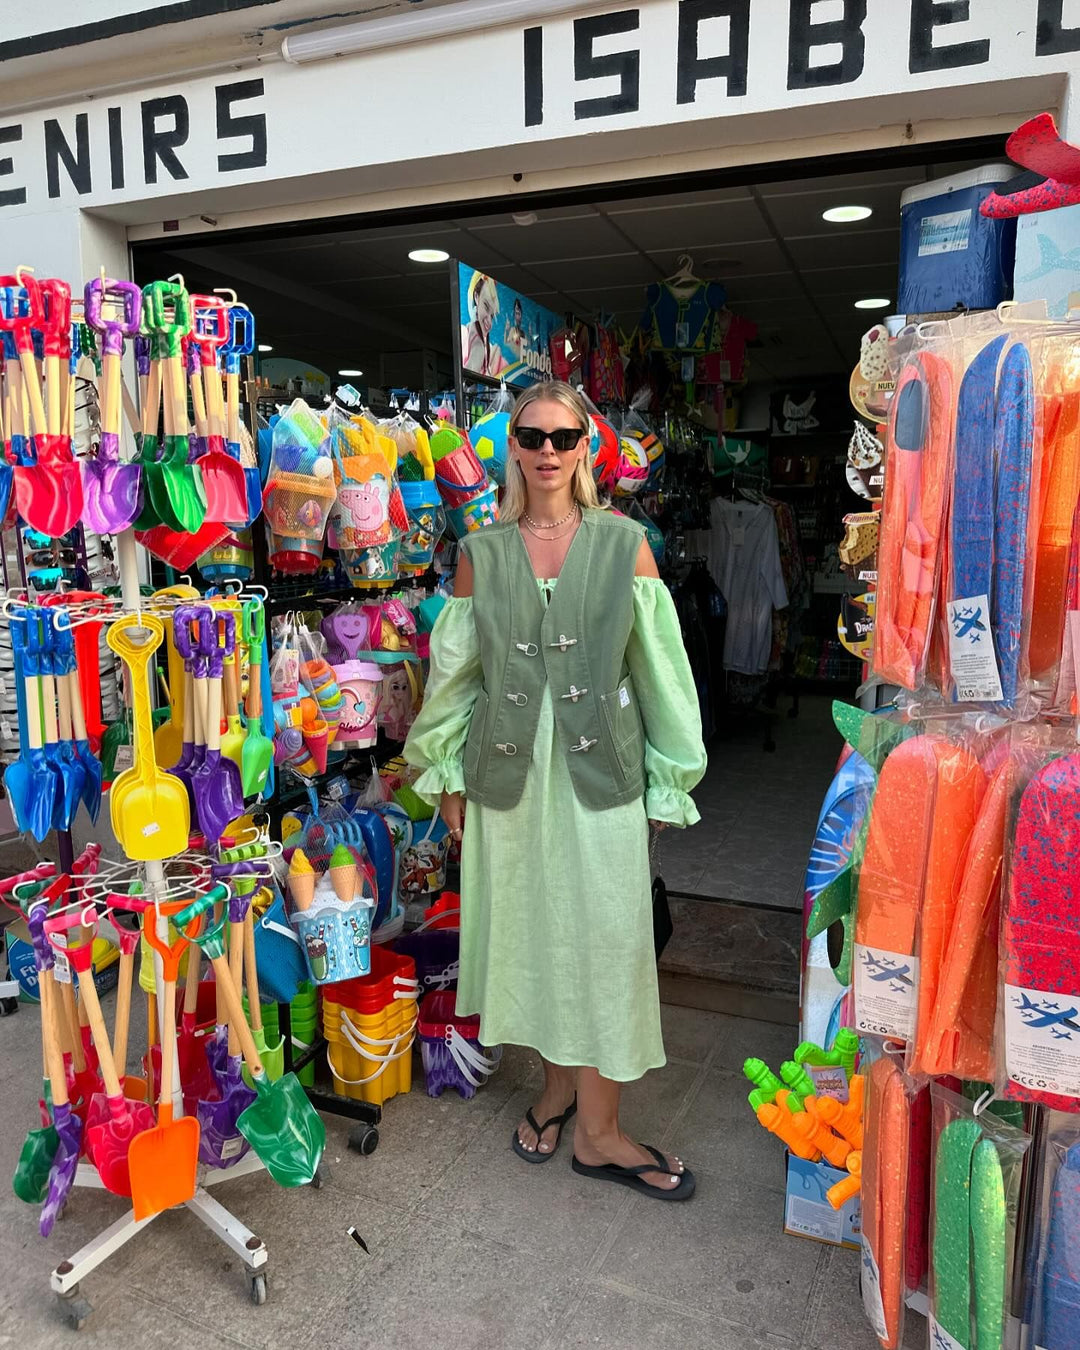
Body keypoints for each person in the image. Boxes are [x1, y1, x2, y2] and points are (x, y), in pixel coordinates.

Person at [405, 382, 706, 1200]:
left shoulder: (625, 545)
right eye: (531, 436)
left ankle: (601, 1135)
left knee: (607, 939)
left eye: (563, 437)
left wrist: (669, 778)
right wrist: (444, 775)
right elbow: (455, 679)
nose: (546, 451)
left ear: (586, 448)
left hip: (599, 774)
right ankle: (560, 1087)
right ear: (515, 446)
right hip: (504, 776)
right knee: (533, 931)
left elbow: (662, 677)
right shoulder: (481, 551)